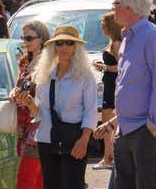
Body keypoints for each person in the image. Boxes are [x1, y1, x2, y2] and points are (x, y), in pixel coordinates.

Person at [98, 0, 156, 189]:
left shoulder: (152, 37)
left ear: (130, 7)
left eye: (115, 2)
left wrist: (153, 125)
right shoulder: (128, 37)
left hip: (147, 130)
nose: (112, 6)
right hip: (127, 130)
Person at [32, 25, 97, 189]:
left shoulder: (85, 75)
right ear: (53, 47)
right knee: (51, 185)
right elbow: (39, 112)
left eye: (69, 43)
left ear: (76, 47)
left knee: (73, 185)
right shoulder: (45, 73)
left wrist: (84, 139)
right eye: (59, 43)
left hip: (74, 140)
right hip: (46, 139)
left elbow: (91, 110)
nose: (64, 47)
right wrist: (27, 101)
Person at [8, 20, 50, 189]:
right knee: (37, 179)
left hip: (38, 127)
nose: (25, 42)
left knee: (27, 180)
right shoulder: (27, 61)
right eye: (23, 38)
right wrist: (14, 92)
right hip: (25, 127)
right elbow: (20, 85)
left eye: (29, 38)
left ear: (42, 39)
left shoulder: (47, 62)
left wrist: (26, 96)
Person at [91, 12, 122, 170]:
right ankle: (108, 156)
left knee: (108, 121)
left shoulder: (116, 43)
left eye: (103, 23)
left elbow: (120, 67)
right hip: (108, 84)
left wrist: (104, 67)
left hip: (112, 85)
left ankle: (108, 157)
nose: (101, 26)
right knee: (107, 120)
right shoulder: (112, 42)